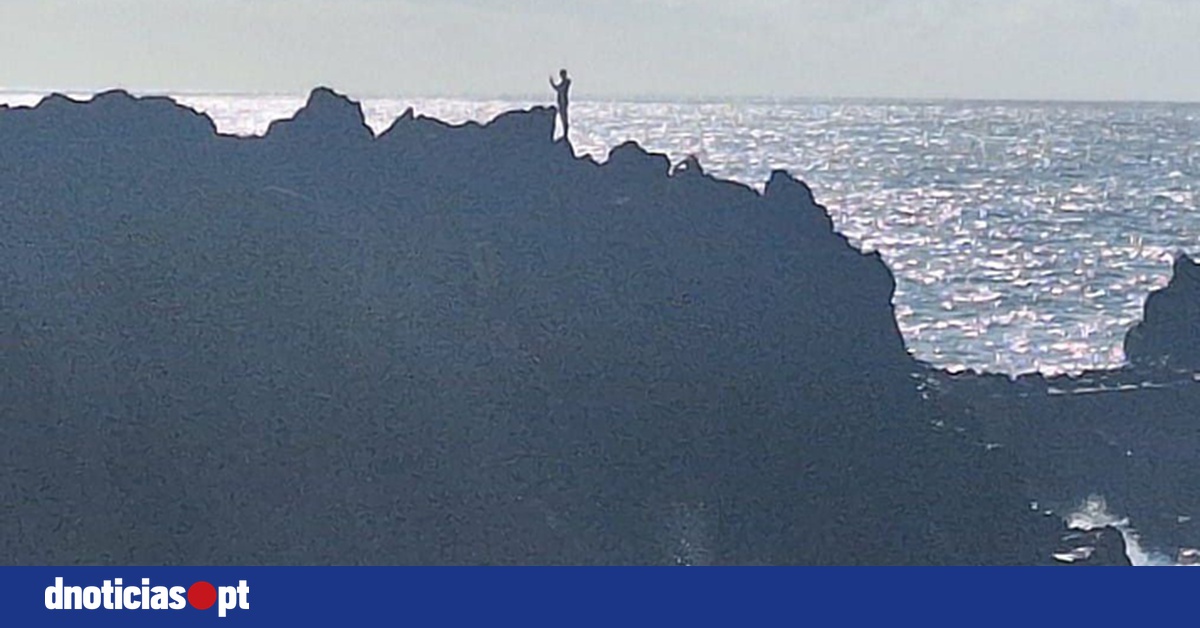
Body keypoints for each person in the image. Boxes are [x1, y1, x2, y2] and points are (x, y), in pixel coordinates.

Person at [549, 69, 572, 141]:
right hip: (561, 102)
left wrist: (552, 83)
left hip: (563, 102)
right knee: (563, 118)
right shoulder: (563, 82)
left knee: (564, 118)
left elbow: (558, 89)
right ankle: (564, 133)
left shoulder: (566, 82)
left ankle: (565, 133)